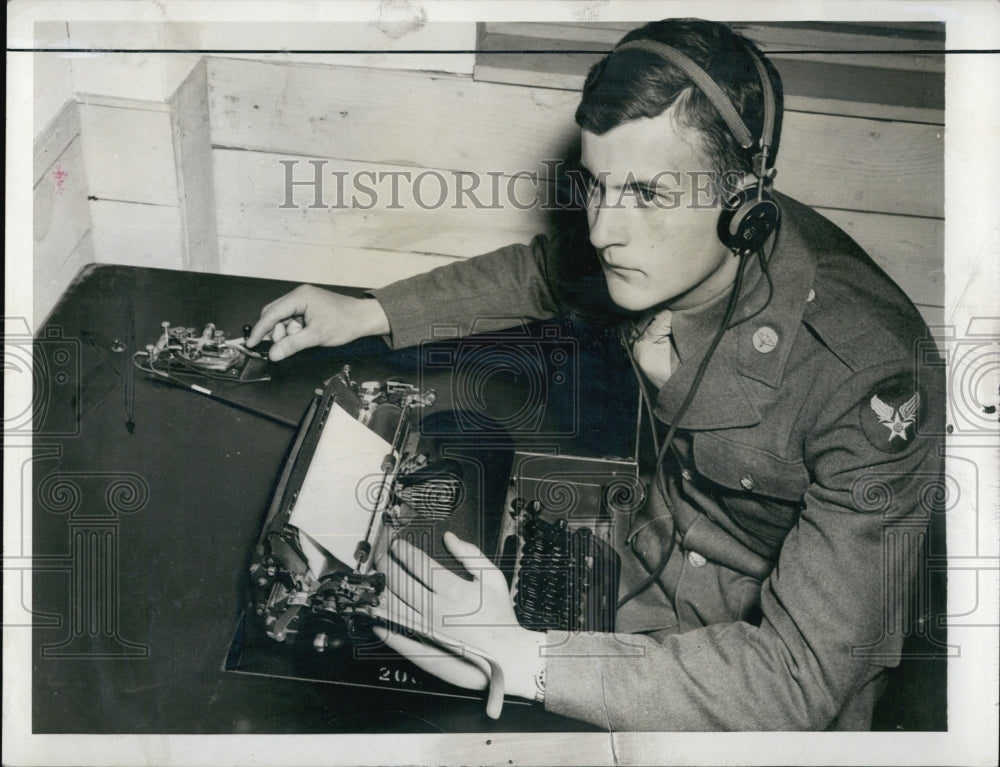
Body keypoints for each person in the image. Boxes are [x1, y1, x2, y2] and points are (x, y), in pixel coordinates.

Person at [248, 19, 944, 730]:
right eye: (598, 187)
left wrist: (520, 658)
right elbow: (543, 273)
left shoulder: (869, 376)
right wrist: (366, 312)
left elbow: (797, 681)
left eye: (647, 194)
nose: (606, 229)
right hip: (642, 565)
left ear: (744, 205)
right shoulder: (664, 250)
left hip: (757, 679)